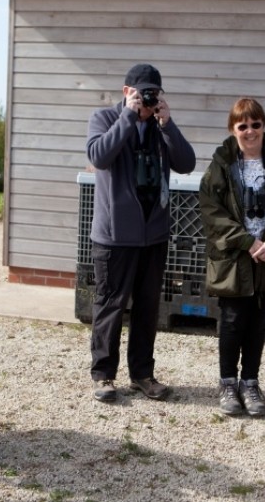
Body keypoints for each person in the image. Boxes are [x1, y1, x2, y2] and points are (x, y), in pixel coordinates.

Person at [85, 63, 196, 402]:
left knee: (147, 308)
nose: (148, 99)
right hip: (115, 237)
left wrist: (168, 124)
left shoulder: (161, 125)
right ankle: (103, 375)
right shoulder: (105, 118)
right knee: (110, 305)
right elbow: (98, 156)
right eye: (142, 93)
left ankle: (143, 375)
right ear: (126, 92)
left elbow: (186, 163)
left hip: (153, 235)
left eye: (154, 94)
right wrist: (128, 118)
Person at [199, 97, 265, 417]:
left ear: (264, 125)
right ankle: (228, 384)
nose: (250, 131)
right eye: (242, 125)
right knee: (232, 322)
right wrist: (246, 241)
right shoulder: (221, 164)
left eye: (255, 124)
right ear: (233, 129)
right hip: (235, 258)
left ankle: (251, 382)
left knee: (258, 323)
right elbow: (211, 211)